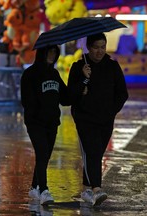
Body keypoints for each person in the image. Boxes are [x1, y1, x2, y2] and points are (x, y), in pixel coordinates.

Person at [67, 33, 128, 206]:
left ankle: (86, 189)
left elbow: (122, 93)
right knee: (92, 152)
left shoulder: (112, 66)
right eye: (96, 47)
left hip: (105, 119)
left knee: (96, 154)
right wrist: (84, 80)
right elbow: (70, 95)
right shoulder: (78, 67)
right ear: (88, 47)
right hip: (85, 119)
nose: (99, 51)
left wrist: (111, 112)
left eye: (103, 46)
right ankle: (96, 189)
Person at [21, 45, 70, 205]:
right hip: (35, 123)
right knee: (42, 153)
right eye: (49, 52)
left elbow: (65, 98)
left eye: (54, 52)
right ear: (42, 52)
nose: (51, 55)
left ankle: (34, 187)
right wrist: (37, 112)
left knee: (45, 156)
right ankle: (44, 190)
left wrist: (82, 82)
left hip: (52, 123)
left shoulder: (54, 74)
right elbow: (26, 101)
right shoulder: (30, 74)